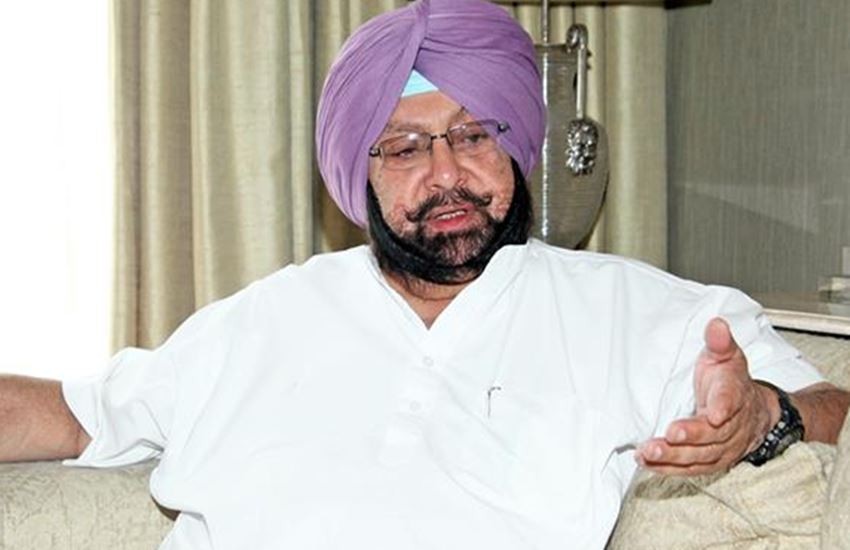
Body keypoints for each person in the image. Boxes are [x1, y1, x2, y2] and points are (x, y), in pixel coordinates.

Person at [1, 0, 848, 548]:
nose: (446, 174)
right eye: (404, 148)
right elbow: (70, 416)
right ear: (358, 174)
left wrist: (760, 418)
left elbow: (829, 404)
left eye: (474, 136)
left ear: (515, 144)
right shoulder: (264, 316)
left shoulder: (634, 311)